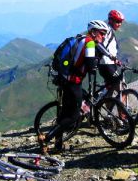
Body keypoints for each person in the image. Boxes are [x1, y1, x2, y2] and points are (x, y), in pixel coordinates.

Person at [38, 19, 110, 154]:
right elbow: (90, 65)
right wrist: (96, 64)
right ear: (93, 32)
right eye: (102, 33)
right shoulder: (89, 43)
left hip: (65, 79)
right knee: (73, 117)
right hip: (73, 82)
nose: (104, 36)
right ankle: (46, 138)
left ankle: (58, 145)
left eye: (105, 33)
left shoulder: (81, 39)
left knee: (64, 114)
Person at [98, 10, 125, 95]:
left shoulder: (109, 30)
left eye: (121, 22)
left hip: (108, 63)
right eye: (117, 21)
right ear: (111, 20)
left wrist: (115, 60)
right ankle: (124, 108)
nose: (119, 24)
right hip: (106, 63)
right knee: (120, 88)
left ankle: (102, 104)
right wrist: (109, 56)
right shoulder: (106, 30)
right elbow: (99, 44)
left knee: (111, 89)